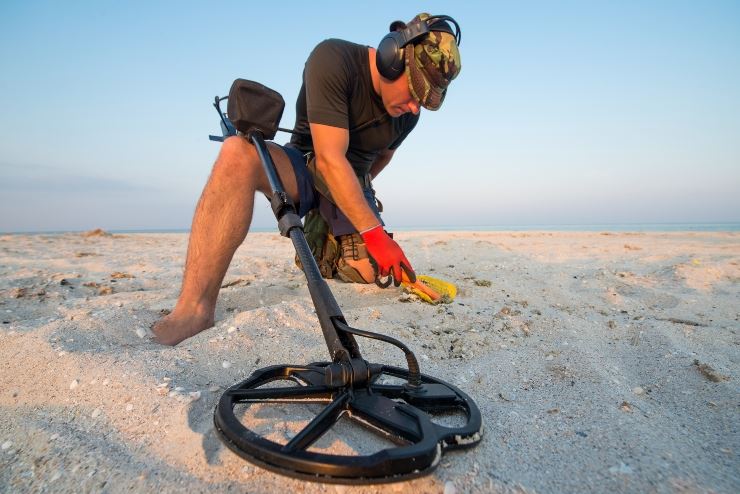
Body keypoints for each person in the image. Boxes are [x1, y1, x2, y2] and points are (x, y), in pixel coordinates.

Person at [153, 13, 462, 346]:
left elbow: (384, 155)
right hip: (306, 165)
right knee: (236, 154)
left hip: (352, 182)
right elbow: (329, 159)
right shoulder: (334, 59)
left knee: (369, 273)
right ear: (392, 58)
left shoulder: (407, 116)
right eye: (415, 92)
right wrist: (374, 233)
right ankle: (193, 310)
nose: (416, 108)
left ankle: (327, 245)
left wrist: (355, 202)